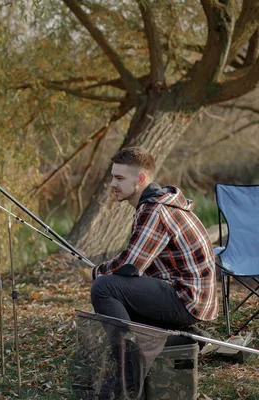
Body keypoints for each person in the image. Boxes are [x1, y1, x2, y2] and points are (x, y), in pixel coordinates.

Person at [87, 147, 218, 398]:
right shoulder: (155, 204)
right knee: (117, 290)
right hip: (188, 297)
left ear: (140, 180)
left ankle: (129, 376)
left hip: (187, 300)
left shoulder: (155, 210)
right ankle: (191, 339)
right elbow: (137, 265)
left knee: (104, 287)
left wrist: (96, 272)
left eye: (120, 178)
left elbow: (129, 265)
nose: (113, 183)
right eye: (113, 177)